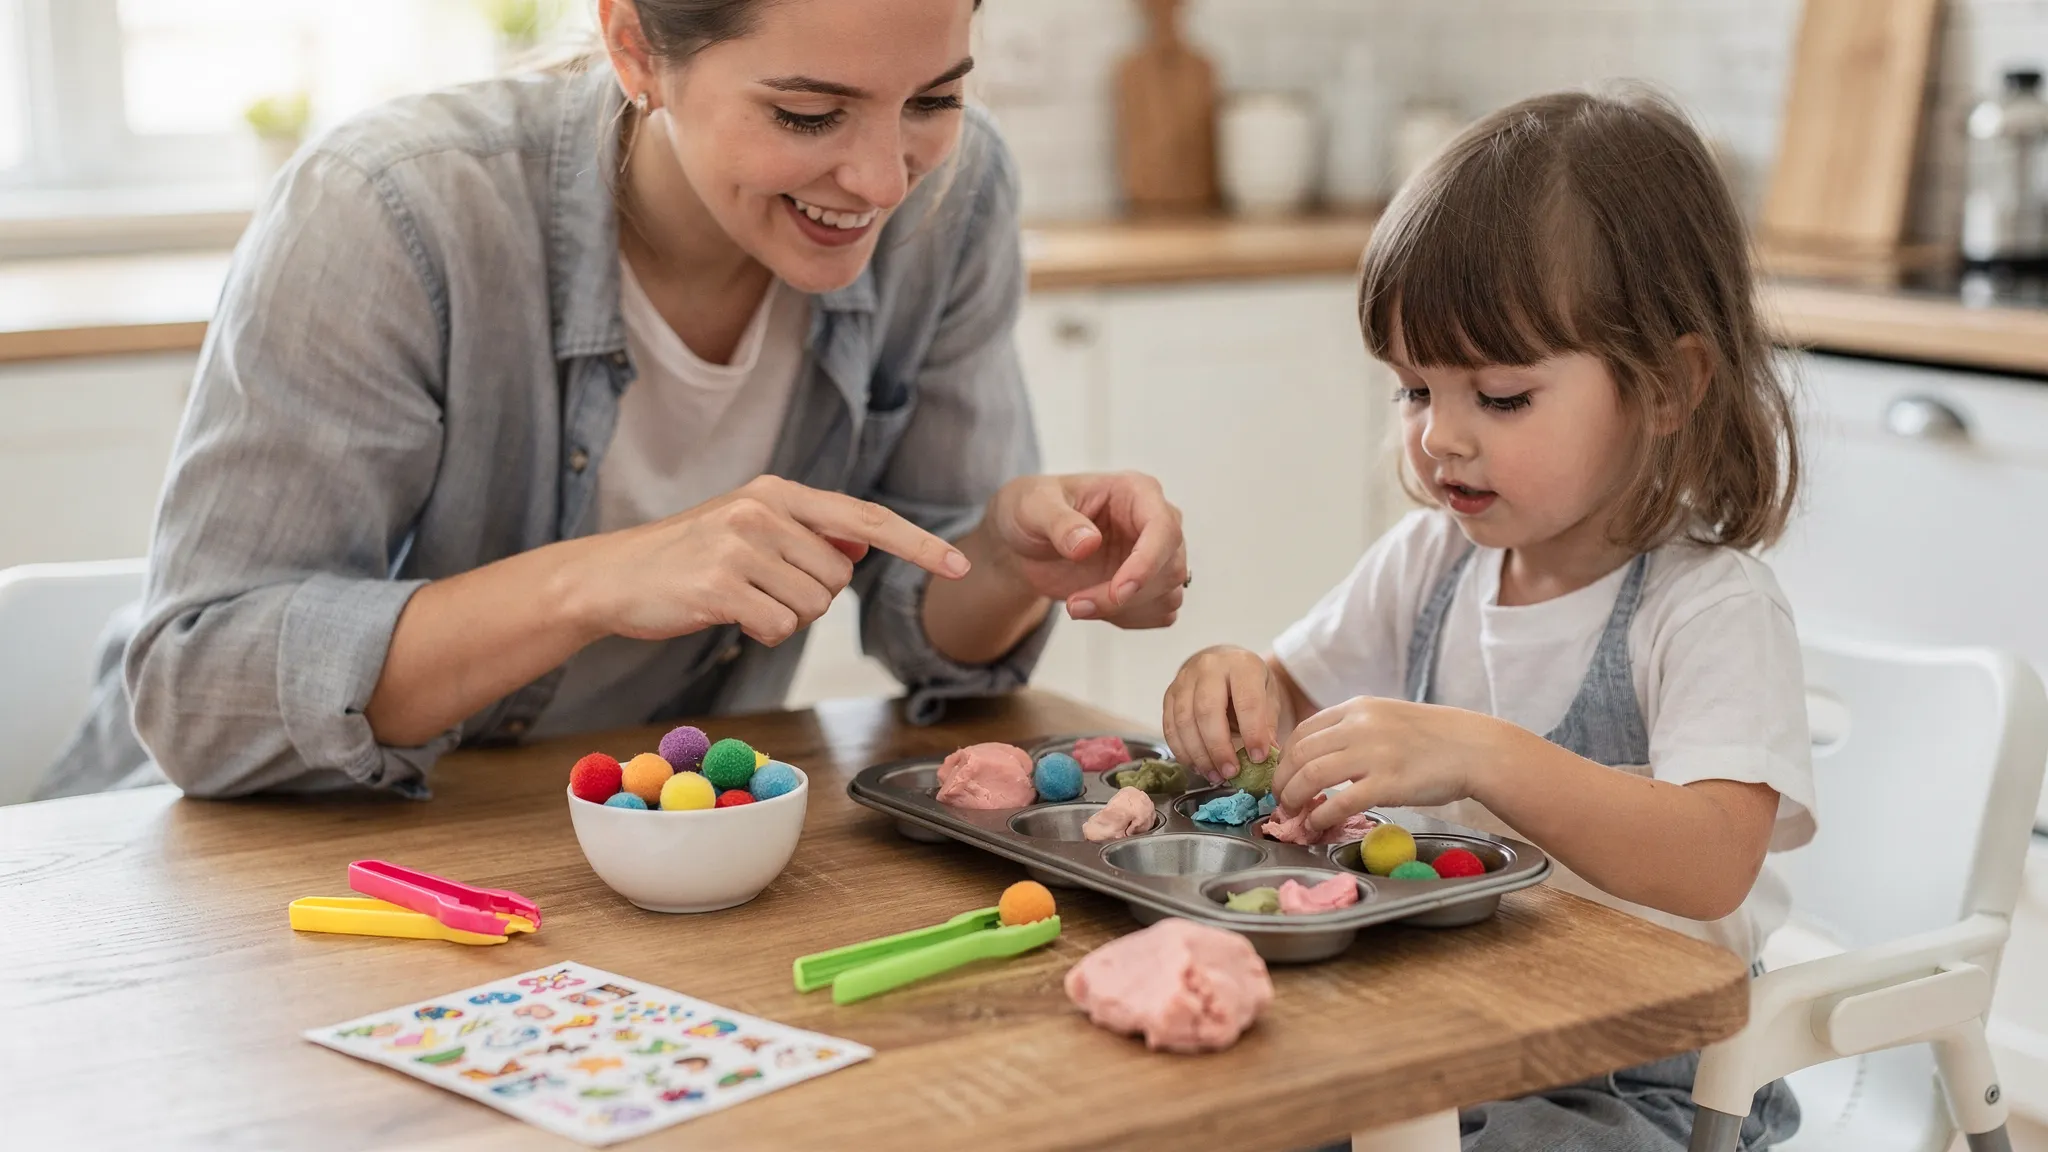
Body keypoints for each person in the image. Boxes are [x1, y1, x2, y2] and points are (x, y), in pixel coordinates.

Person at [39, 0, 1188, 801]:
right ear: (635, 46)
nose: (882, 179)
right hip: (252, 870)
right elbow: (201, 694)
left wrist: (1000, 558)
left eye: (930, 99)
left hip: (620, 849)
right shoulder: (392, 212)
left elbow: (925, 622)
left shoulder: (958, 189)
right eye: (805, 115)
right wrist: (600, 579)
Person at [1161, 89, 1811, 1150]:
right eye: (1413, 391)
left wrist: (1483, 757)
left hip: (1637, 1084)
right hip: (1441, 1032)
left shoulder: (1705, 608)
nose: (1438, 440)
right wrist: (1230, 685)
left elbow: (1709, 860)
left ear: (1666, 386)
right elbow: (1281, 709)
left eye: (1497, 398)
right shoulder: (1429, 563)